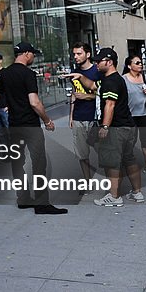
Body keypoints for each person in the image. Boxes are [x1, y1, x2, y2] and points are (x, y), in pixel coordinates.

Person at [0, 42, 67, 215]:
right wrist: (47, 120)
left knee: (17, 163)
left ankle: (23, 199)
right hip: (30, 126)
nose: (33, 57)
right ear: (27, 54)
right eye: (33, 54)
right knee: (38, 163)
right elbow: (34, 102)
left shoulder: (5, 73)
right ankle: (42, 204)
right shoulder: (28, 74)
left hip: (14, 125)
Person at [90, 48, 143, 207]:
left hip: (116, 128)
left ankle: (114, 197)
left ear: (109, 62)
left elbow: (110, 105)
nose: (96, 63)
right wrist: (79, 77)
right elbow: (93, 87)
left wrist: (105, 126)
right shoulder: (115, 79)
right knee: (129, 159)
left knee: (112, 162)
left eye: (99, 61)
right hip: (128, 126)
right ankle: (137, 192)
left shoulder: (111, 81)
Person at [66, 43, 101, 187]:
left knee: (103, 152)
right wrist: (71, 116)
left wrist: (87, 97)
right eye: (74, 54)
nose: (75, 57)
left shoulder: (97, 71)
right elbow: (74, 95)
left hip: (95, 118)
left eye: (79, 53)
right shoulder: (74, 72)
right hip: (79, 117)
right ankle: (87, 182)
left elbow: (102, 95)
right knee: (82, 154)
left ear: (87, 54)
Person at [122, 55, 146, 176]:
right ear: (129, 66)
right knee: (129, 141)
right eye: (137, 63)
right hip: (130, 115)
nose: (140, 65)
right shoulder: (124, 79)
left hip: (145, 114)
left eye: (141, 63)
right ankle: (127, 164)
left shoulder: (144, 77)